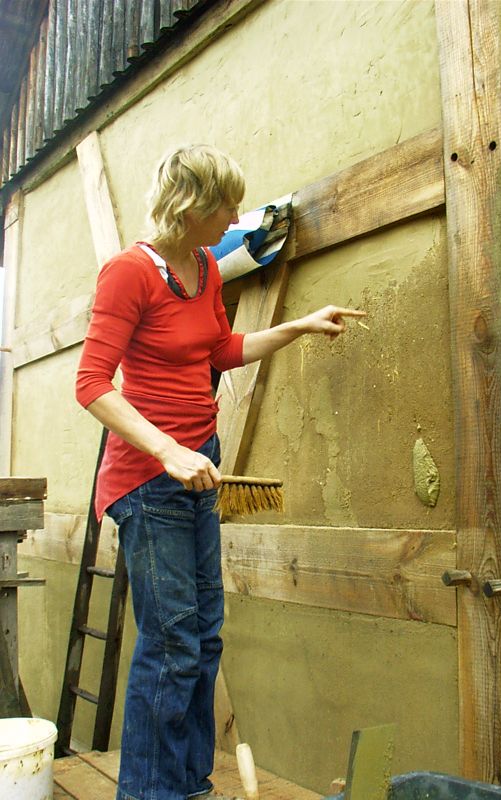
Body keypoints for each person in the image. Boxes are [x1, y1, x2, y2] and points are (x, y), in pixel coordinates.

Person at [75, 144, 365, 800]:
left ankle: (189, 785)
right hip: (147, 483)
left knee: (204, 636)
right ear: (191, 207)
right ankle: (150, 793)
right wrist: (166, 451)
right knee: (171, 643)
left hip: (198, 468)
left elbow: (221, 350)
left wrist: (299, 326)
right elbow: (91, 384)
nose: (236, 217)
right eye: (226, 206)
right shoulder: (128, 273)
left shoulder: (206, 267)